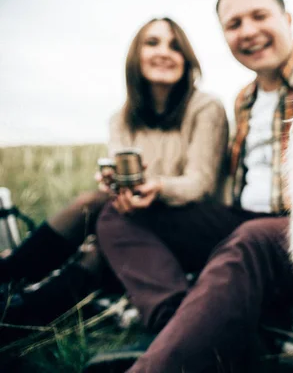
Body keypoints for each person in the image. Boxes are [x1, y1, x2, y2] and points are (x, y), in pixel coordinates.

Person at [104, 0, 293, 372]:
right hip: (244, 222)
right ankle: (181, 326)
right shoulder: (245, 98)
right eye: (234, 24)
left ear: (287, 19)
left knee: (250, 239)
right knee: (117, 213)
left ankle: (159, 363)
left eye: (259, 16)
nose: (248, 31)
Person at [0, 17, 229, 340]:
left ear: (187, 57)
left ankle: (13, 287)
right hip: (139, 218)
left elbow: (200, 183)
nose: (164, 52)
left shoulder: (206, 107)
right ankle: (16, 312)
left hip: (194, 223)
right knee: (101, 211)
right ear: (136, 54)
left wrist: (158, 187)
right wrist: (116, 186)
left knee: (98, 210)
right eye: (152, 42)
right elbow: (124, 183)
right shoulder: (121, 118)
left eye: (175, 45)